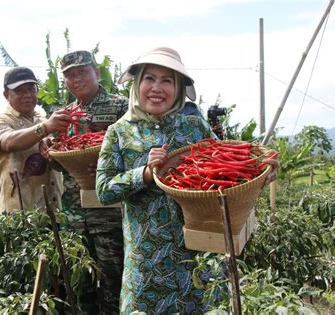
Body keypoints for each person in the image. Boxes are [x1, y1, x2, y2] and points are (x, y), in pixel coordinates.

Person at [95, 47, 278, 313]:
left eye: (167, 81)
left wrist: (260, 174)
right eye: (150, 78)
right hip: (147, 261)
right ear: (137, 84)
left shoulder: (194, 127)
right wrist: (144, 173)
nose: (157, 87)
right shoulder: (119, 133)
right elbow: (104, 191)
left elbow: (229, 177)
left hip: (198, 255)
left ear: (178, 89)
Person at [54, 50, 127, 314]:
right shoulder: (63, 115)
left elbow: (131, 149)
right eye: (70, 75)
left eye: (82, 72)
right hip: (74, 211)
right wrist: (48, 151)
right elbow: (58, 161)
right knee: (79, 279)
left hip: (108, 209)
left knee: (112, 277)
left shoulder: (121, 106)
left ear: (96, 72)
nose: (77, 79)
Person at [0, 67, 73, 214]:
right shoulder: (1, 120)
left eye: (31, 89)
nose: (27, 95)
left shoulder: (43, 119)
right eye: (19, 90)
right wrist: (44, 128)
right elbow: (8, 142)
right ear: (6, 94)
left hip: (52, 210)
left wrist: (52, 148)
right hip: (19, 214)